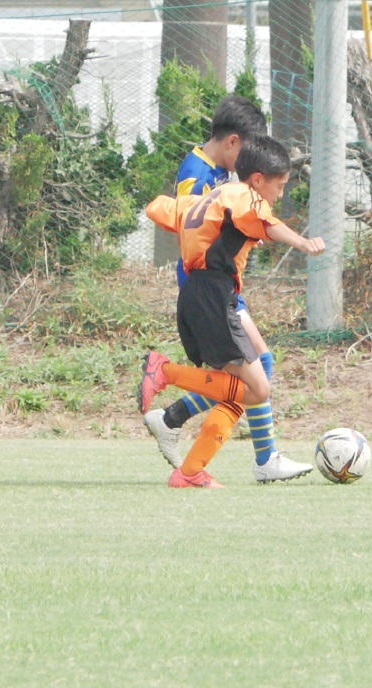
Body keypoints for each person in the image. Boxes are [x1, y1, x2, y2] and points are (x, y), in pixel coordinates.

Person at [138, 134, 326, 488]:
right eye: (279, 186)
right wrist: (302, 242)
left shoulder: (214, 196)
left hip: (197, 294)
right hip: (214, 295)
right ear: (258, 179)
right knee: (258, 389)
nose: (280, 195)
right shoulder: (244, 196)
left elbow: (159, 209)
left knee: (240, 388)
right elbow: (267, 223)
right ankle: (165, 372)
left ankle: (190, 470)